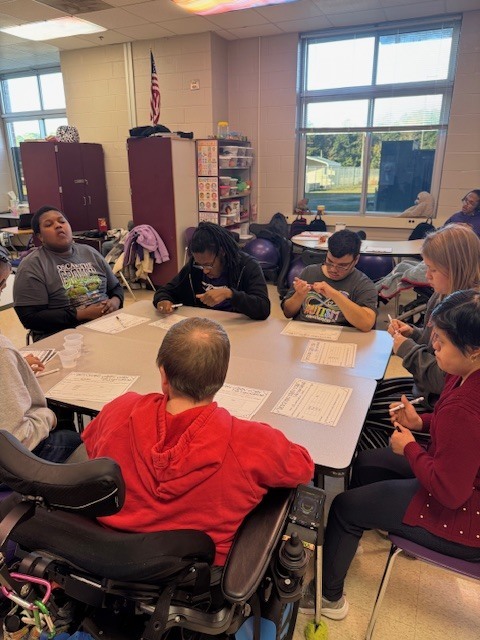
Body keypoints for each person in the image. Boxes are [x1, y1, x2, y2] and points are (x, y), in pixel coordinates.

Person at [81, 317, 313, 565]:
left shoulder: (120, 410)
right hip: (195, 575)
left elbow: (92, 449)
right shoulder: (254, 442)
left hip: (107, 555)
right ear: (221, 378)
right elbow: (303, 468)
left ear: (163, 375)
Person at [315, 289, 480, 621]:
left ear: (474, 350)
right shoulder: (462, 374)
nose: (433, 346)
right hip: (453, 474)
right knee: (365, 462)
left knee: (345, 508)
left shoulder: (468, 406)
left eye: (441, 343)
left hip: (465, 513)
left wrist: (410, 447)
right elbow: (456, 436)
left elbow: (451, 492)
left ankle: (327, 601)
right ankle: (352, 538)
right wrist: (422, 422)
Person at [360, 223, 480, 449]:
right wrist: (414, 333)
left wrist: (406, 349)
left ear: (455, 268)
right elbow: (436, 343)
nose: (427, 276)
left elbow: (442, 380)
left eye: (433, 270)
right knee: (367, 396)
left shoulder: (469, 314)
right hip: (425, 391)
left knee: (367, 416)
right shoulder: (441, 294)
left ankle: (379, 465)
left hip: (436, 403)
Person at [0, 247, 81, 462]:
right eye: (1, 284)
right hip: (13, 464)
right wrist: (48, 417)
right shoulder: (3, 351)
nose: (4, 289)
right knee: (75, 439)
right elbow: (18, 440)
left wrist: (14, 367)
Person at [13, 206, 124, 341]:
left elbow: (116, 287)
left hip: (107, 326)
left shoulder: (90, 252)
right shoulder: (32, 266)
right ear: (40, 236)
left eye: (62, 221)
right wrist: (80, 314)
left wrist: (115, 302)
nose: (58, 226)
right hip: (64, 337)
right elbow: (30, 318)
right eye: (49, 224)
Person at [153, 222, 270, 320]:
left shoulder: (247, 266)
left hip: (236, 328)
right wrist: (164, 300)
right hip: (203, 328)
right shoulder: (194, 267)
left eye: (208, 265)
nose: (205, 271)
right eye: (200, 265)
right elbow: (166, 290)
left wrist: (230, 294)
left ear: (222, 252)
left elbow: (263, 308)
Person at [281, 229, 377, 332]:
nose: (333, 269)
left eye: (342, 266)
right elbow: (287, 313)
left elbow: (367, 324)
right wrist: (299, 295)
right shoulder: (309, 272)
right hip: (304, 333)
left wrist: (334, 294)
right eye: (330, 262)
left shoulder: (363, 284)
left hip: (340, 337)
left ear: (356, 260)